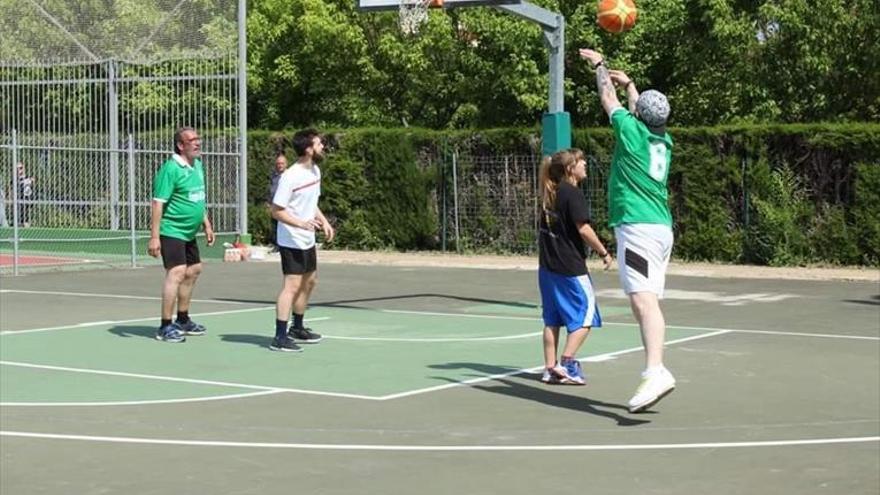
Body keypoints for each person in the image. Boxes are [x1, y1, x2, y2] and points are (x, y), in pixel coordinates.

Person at [579, 48, 676, 413]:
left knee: (643, 301)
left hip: (638, 227)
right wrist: (633, 84)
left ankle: (655, 371)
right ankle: (655, 368)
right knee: (645, 300)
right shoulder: (662, 140)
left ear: (638, 116)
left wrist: (600, 65)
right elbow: (644, 110)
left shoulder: (632, 133)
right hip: (659, 227)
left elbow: (607, 97)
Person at [538, 148, 613, 385]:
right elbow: (583, 229)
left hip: (547, 268)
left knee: (553, 320)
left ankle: (550, 369)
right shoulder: (572, 193)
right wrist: (604, 252)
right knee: (586, 317)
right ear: (571, 168)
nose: (585, 165)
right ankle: (568, 363)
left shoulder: (550, 192)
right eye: (581, 162)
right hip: (569, 268)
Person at [269, 128, 335, 352]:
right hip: (291, 239)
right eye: (318, 144)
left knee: (310, 281)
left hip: (306, 239)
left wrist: (323, 221)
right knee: (292, 285)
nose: (322, 146)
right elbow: (277, 211)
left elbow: (311, 203)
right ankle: (279, 337)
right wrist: (301, 224)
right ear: (308, 149)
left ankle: (297, 327)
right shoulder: (290, 176)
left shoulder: (315, 171)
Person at [148, 126, 215, 343]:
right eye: (192, 140)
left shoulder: (197, 165)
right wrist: (155, 237)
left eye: (198, 139)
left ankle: (183, 319)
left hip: (189, 232)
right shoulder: (171, 169)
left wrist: (206, 223)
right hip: (172, 230)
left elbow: (197, 198)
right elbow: (158, 203)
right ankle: (165, 326)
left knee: (194, 269)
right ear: (180, 145)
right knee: (176, 272)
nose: (198, 143)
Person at [267, 153, 288, 251]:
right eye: (278, 164)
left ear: (286, 164)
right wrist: (269, 203)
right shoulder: (274, 176)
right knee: (275, 226)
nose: (280, 165)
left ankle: (285, 246)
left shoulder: (289, 176)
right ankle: (277, 245)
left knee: (285, 226)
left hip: (286, 207)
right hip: (274, 206)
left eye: (282, 163)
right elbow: (271, 190)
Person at [16, 162, 35, 227]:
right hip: (20, 199)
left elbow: (33, 181)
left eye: (21, 168)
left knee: (26, 212)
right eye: (18, 169)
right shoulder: (15, 179)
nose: (19, 170)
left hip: (28, 198)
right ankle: (22, 223)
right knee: (22, 212)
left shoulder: (28, 176)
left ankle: (26, 223)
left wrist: (30, 180)